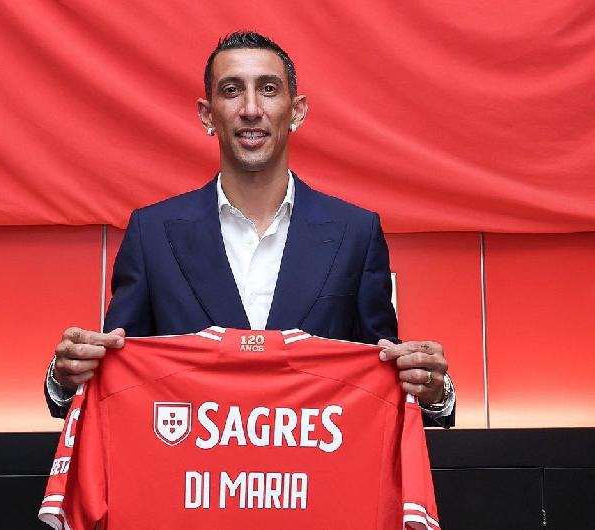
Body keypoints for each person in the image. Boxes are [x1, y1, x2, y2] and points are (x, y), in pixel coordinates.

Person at [45, 31, 455, 427]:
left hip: (314, 489)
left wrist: (434, 392)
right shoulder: (151, 234)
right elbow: (116, 377)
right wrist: (66, 379)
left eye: (269, 89)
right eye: (231, 90)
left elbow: (381, 380)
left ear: (297, 110)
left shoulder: (356, 233)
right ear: (208, 114)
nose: (251, 109)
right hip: (189, 488)